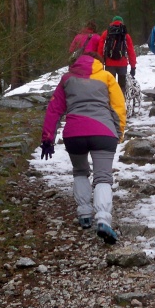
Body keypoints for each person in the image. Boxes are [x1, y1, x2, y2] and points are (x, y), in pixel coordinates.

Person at [39, 51, 126, 244]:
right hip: (103, 131)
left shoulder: (67, 79)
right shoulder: (106, 76)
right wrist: (118, 131)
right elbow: (119, 107)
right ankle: (103, 219)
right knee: (103, 176)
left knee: (80, 171)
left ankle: (84, 213)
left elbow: (54, 109)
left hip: (74, 133)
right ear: (99, 62)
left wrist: (48, 137)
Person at [97, 16, 137, 95]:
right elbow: (131, 51)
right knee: (121, 86)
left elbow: (100, 48)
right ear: (122, 22)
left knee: (110, 85)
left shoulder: (106, 33)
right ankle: (121, 102)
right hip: (122, 63)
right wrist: (133, 66)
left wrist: (100, 62)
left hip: (109, 63)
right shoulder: (125, 34)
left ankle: (111, 103)